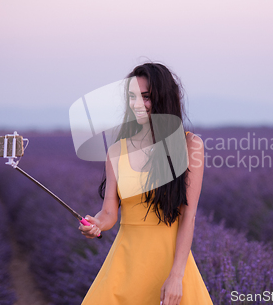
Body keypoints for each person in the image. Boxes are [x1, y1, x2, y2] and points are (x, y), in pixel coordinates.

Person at [79, 63, 214, 305]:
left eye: (146, 97)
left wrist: (176, 276)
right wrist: (96, 223)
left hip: (169, 265)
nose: (137, 104)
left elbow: (188, 215)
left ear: (164, 99)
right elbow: (110, 212)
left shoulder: (189, 146)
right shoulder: (116, 151)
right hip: (125, 265)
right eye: (132, 97)